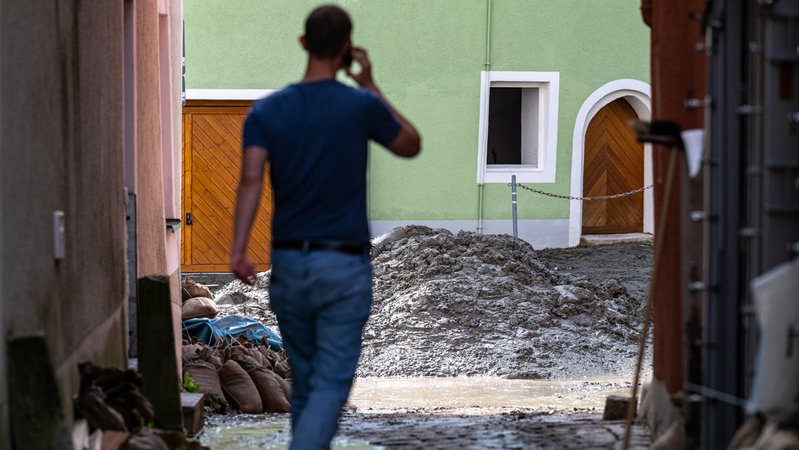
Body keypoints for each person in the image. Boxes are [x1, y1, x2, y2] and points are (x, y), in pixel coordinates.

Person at [230, 4, 421, 449]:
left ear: (303, 43)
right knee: (331, 384)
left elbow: (250, 178)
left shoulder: (266, 111)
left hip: (290, 264)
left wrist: (238, 249)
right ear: (347, 51)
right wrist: (371, 84)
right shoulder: (360, 106)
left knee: (308, 381)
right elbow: (411, 144)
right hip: (343, 265)